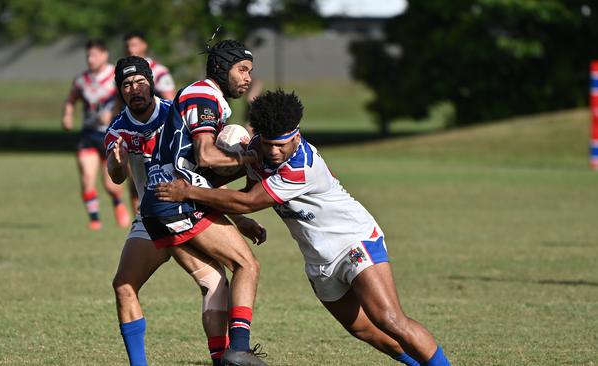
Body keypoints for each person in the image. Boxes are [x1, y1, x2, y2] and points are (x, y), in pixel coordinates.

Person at [153, 90, 453, 366]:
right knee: (365, 330)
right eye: (269, 144)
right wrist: (239, 214)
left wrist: (189, 192)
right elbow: (248, 187)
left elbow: (248, 201)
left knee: (388, 319)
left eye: (281, 145)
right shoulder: (257, 149)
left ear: (296, 137)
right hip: (318, 259)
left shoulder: (302, 166)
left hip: (353, 242)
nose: (273, 152)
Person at [106, 56, 266, 366]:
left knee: (214, 282)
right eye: (127, 85)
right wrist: (117, 163)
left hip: (183, 204)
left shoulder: (174, 111)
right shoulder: (118, 130)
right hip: (153, 216)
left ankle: (222, 359)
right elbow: (116, 176)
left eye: (140, 82)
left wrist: (240, 217)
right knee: (124, 285)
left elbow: (201, 172)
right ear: (120, 91)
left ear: (151, 83)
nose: (135, 89)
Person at [61, 39, 130, 230]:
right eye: (88, 56)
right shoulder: (81, 80)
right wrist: (67, 114)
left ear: (105, 55)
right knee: (87, 177)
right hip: (89, 134)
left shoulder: (116, 76)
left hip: (111, 134)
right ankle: (95, 221)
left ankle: (118, 201)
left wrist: (115, 111)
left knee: (110, 185)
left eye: (94, 55)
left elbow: (126, 98)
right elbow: (70, 99)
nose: (90, 59)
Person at [122, 31, 177, 215]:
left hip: (160, 133)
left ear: (145, 45)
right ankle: (140, 216)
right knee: (135, 178)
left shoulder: (159, 71)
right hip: (134, 131)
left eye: (135, 45)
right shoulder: (123, 72)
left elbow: (171, 101)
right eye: (129, 46)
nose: (131, 49)